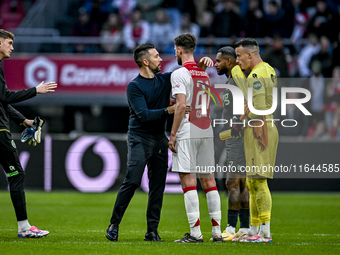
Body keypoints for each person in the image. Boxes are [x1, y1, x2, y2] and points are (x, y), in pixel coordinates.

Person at [106, 43, 211, 242]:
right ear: (145, 62)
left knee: (157, 187)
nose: (161, 59)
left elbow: (188, 77)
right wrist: (169, 111)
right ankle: (114, 224)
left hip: (159, 140)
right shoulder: (134, 87)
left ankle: (152, 231)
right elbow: (144, 115)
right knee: (133, 181)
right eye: (156, 56)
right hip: (139, 139)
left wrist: (202, 66)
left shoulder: (164, 79)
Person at [0, 29, 57, 238]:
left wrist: (23, 120)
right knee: (17, 174)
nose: (12, 47)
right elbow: (5, 96)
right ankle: (24, 227)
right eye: (9, 43)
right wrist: (35, 90)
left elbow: (1, 101)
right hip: (0, 132)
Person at [169, 33, 224, 243]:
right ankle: (217, 233)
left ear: (179, 50)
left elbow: (181, 105)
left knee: (188, 181)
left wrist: (172, 135)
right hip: (205, 128)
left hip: (188, 129)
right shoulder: (204, 74)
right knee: (209, 181)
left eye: (175, 50)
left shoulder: (179, 74)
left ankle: (195, 233)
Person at [234, 38, 279, 243]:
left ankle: (265, 232)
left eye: (239, 56)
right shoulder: (268, 69)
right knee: (252, 181)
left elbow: (258, 109)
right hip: (263, 126)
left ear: (249, 55)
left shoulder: (255, 76)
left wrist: (241, 118)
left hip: (260, 128)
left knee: (258, 180)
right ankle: (254, 228)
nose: (237, 60)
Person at [214, 46, 250, 241]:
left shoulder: (236, 79)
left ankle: (230, 227)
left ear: (228, 62)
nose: (216, 64)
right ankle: (244, 227)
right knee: (242, 183)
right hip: (237, 135)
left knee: (232, 181)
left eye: (218, 61)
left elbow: (246, 105)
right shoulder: (232, 81)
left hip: (237, 137)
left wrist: (234, 130)